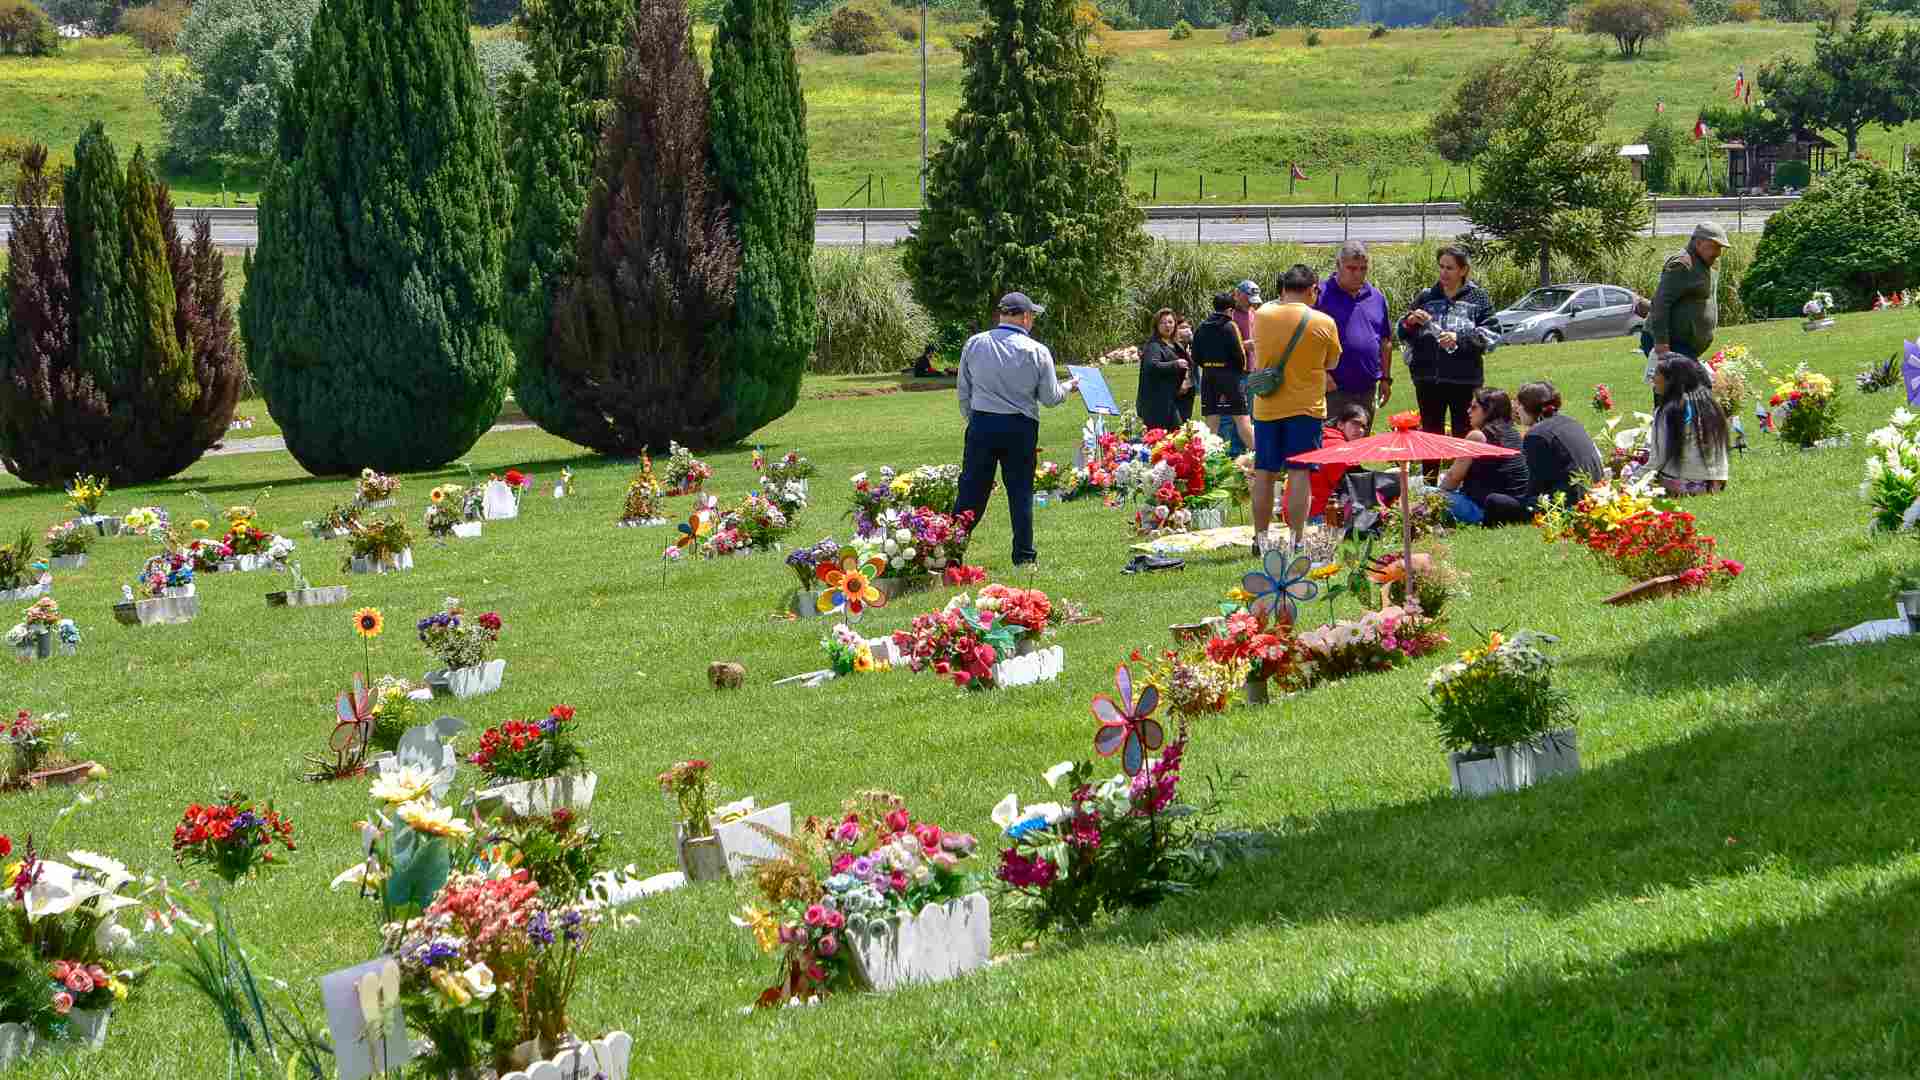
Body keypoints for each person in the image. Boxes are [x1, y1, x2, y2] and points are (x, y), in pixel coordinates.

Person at [954, 292, 1080, 565]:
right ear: (1025, 317)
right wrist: (1069, 386)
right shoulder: (1036, 350)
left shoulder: (975, 344)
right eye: (1032, 315)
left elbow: (964, 390)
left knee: (972, 490)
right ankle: (1023, 555)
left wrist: (973, 418)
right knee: (1020, 491)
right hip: (1019, 426)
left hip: (982, 421)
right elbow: (1049, 397)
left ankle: (952, 551)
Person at [1250, 265, 1342, 554]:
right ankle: (1297, 538)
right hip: (1306, 407)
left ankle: (1260, 538)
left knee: (1264, 473)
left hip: (1267, 406)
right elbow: (1333, 364)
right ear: (1313, 288)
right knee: (1299, 474)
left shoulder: (1262, 314)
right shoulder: (1324, 321)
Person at [1399, 245, 1499, 445]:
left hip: (1464, 381)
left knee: (1463, 436)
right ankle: (1429, 478)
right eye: (1441, 267)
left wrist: (1459, 339)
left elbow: (1492, 335)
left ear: (1463, 270)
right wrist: (1410, 322)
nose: (1443, 273)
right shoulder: (1426, 297)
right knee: (1430, 437)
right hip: (1427, 380)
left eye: (1450, 268)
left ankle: (1462, 477)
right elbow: (1401, 333)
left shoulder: (1478, 297)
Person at [1315, 241, 1394, 432]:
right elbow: (1307, 341)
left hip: (1366, 387)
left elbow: (1385, 341)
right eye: (1351, 268)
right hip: (1333, 388)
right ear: (1338, 265)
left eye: (1363, 268)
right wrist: (1322, 374)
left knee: (1359, 444)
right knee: (1332, 444)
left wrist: (1385, 378)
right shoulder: (1319, 295)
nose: (1358, 274)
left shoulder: (1376, 297)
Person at [1435, 387, 1531, 526]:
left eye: (1474, 407)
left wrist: (1436, 496)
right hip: (1514, 507)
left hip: (1482, 510)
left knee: (1422, 492)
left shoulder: (1478, 437)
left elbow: (1452, 479)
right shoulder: (1514, 434)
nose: (1468, 411)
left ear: (1489, 410)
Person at [1648, 222, 1730, 365]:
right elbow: (1660, 304)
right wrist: (1662, 344)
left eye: (1720, 248)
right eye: (1715, 247)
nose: (1718, 253)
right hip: (1672, 344)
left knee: (1686, 387)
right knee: (1693, 386)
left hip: (1683, 346)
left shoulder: (1703, 263)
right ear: (1698, 243)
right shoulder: (1682, 265)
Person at [1649, 354, 1730, 496]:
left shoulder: (1667, 411)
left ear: (1670, 380)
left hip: (1679, 486)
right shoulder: (1712, 404)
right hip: (1714, 485)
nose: (1652, 378)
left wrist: (1631, 481)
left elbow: (1657, 460)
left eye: (1656, 373)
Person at [1516, 381, 1604, 508]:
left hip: (1567, 502)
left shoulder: (1536, 435)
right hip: (1595, 493)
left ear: (1528, 407)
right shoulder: (1571, 422)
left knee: (1495, 501)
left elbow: (1536, 486)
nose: (1517, 410)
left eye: (1519, 404)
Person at [1282, 402, 1371, 522]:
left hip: (1292, 512)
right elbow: (1356, 481)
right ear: (1340, 424)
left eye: (1363, 427)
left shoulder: (1324, 438)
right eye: (1355, 423)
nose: (1360, 430)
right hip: (1312, 515)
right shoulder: (1338, 447)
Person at [1192, 293, 1254, 454]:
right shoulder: (1230, 326)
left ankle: (1207, 458)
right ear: (1230, 310)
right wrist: (1238, 372)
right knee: (1242, 419)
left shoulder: (1201, 326)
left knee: (1212, 422)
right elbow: (1239, 354)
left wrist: (1208, 365)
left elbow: (1195, 355)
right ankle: (1259, 456)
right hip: (1229, 377)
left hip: (1208, 376)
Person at [1135, 308, 1189, 430]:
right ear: (1156, 326)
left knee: (1177, 434)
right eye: (1163, 323)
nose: (1167, 326)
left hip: (1171, 399)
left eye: (1170, 322)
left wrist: (1185, 379)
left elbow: (1186, 365)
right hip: (1156, 402)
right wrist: (1175, 364)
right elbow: (1152, 366)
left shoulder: (1175, 344)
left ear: (1175, 324)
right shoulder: (1154, 346)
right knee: (1164, 437)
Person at [1174, 317, 1198, 423]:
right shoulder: (1172, 346)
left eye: (1189, 327)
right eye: (1183, 327)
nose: (1187, 330)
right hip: (1178, 386)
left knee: (1186, 417)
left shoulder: (1191, 346)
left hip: (1190, 386)